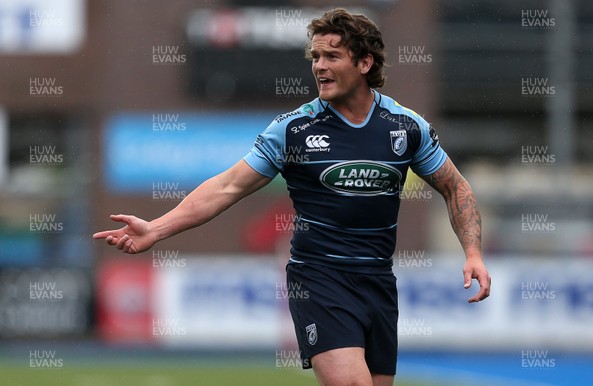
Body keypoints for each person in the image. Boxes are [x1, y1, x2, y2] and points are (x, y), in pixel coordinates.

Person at [93, 8, 491, 386]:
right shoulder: (293, 130)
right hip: (319, 279)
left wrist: (472, 252)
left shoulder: (406, 127)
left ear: (365, 63)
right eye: (315, 56)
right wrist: (156, 229)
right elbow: (227, 186)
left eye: (332, 55)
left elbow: (454, 186)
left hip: (378, 281)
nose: (319, 65)